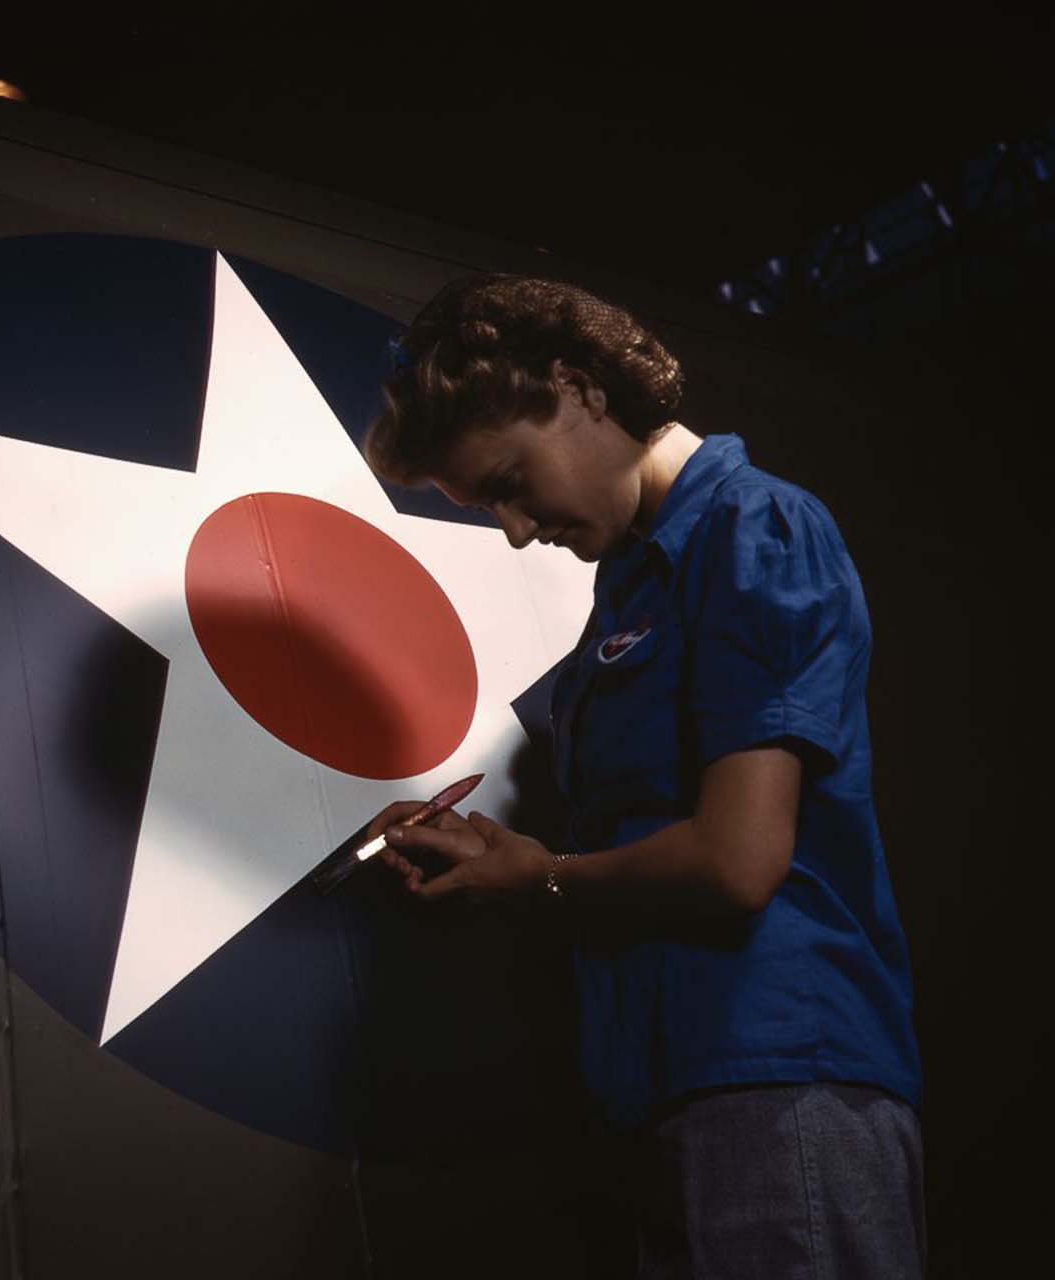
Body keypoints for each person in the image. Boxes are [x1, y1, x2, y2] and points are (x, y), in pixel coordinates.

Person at [361, 274, 926, 1277]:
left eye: (504, 480)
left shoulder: (755, 530)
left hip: (777, 1075)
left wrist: (537, 872)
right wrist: (501, 851)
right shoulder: (632, 579)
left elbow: (738, 858)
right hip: (659, 1090)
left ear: (575, 390)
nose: (518, 530)